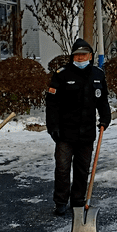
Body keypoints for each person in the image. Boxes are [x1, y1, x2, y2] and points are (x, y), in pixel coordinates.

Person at [46, 38, 112, 216]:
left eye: (84, 54)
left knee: (82, 168)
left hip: (87, 132)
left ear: (90, 55)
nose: (81, 58)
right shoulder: (62, 74)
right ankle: (60, 201)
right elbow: (52, 103)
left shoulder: (98, 75)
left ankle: (78, 200)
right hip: (65, 132)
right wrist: (53, 127)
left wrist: (106, 117)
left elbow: (102, 99)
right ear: (72, 57)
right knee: (62, 168)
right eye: (77, 55)